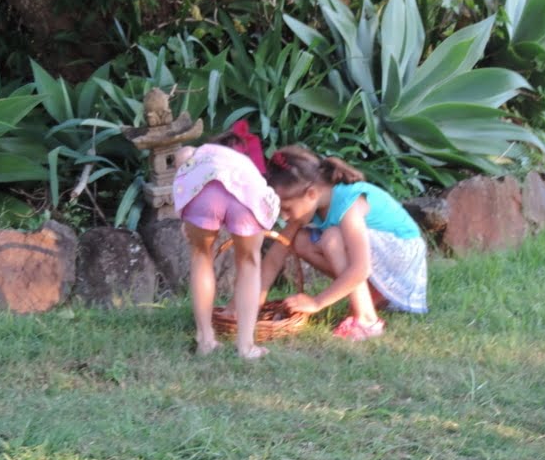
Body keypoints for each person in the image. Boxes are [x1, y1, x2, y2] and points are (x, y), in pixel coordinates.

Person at [261, 145, 428, 341]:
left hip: (403, 254)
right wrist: (254, 304)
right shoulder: (310, 203)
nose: (284, 216)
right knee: (299, 241)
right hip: (377, 258)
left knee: (332, 237)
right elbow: (275, 257)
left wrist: (316, 303)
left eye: (287, 209)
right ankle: (369, 293)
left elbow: (360, 268)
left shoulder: (349, 205)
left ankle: (367, 320)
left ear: (312, 194)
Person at [173, 129, 280, 359]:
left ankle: (205, 339)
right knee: (250, 264)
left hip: (203, 193)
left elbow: (183, 155)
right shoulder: (248, 165)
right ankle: (246, 347)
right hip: (246, 198)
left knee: (201, 257)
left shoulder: (204, 152)